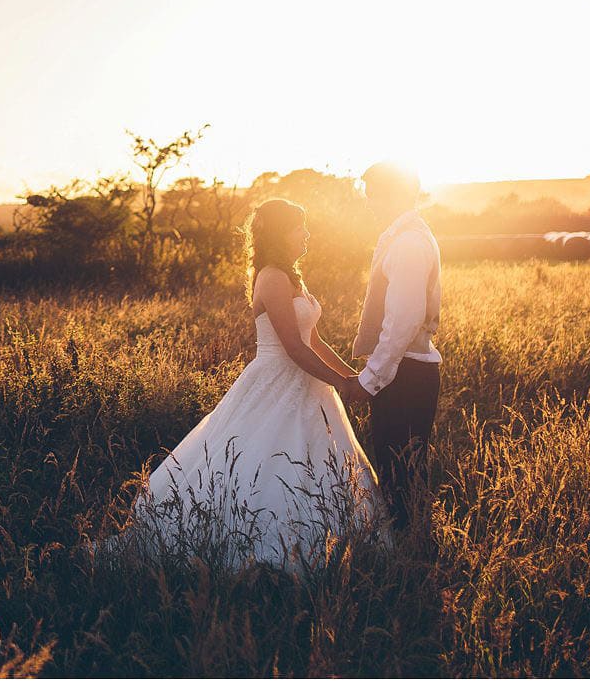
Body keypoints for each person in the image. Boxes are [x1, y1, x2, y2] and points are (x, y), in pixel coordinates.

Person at [106, 198, 390, 573]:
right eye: (298, 227)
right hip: (276, 380)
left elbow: (315, 341)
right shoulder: (271, 277)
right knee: (265, 459)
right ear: (278, 233)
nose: (305, 234)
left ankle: (333, 543)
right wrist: (340, 382)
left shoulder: (293, 277)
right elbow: (292, 347)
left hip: (309, 383)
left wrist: (351, 381)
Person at [340, 161, 442, 531]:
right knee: (401, 472)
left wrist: (370, 380)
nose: (368, 201)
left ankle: (411, 557)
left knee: (400, 474)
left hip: (406, 373)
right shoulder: (403, 235)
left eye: (373, 192)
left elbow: (404, 320)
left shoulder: (410, 243)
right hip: (407, 370)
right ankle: (411, 548)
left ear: (393, 193)